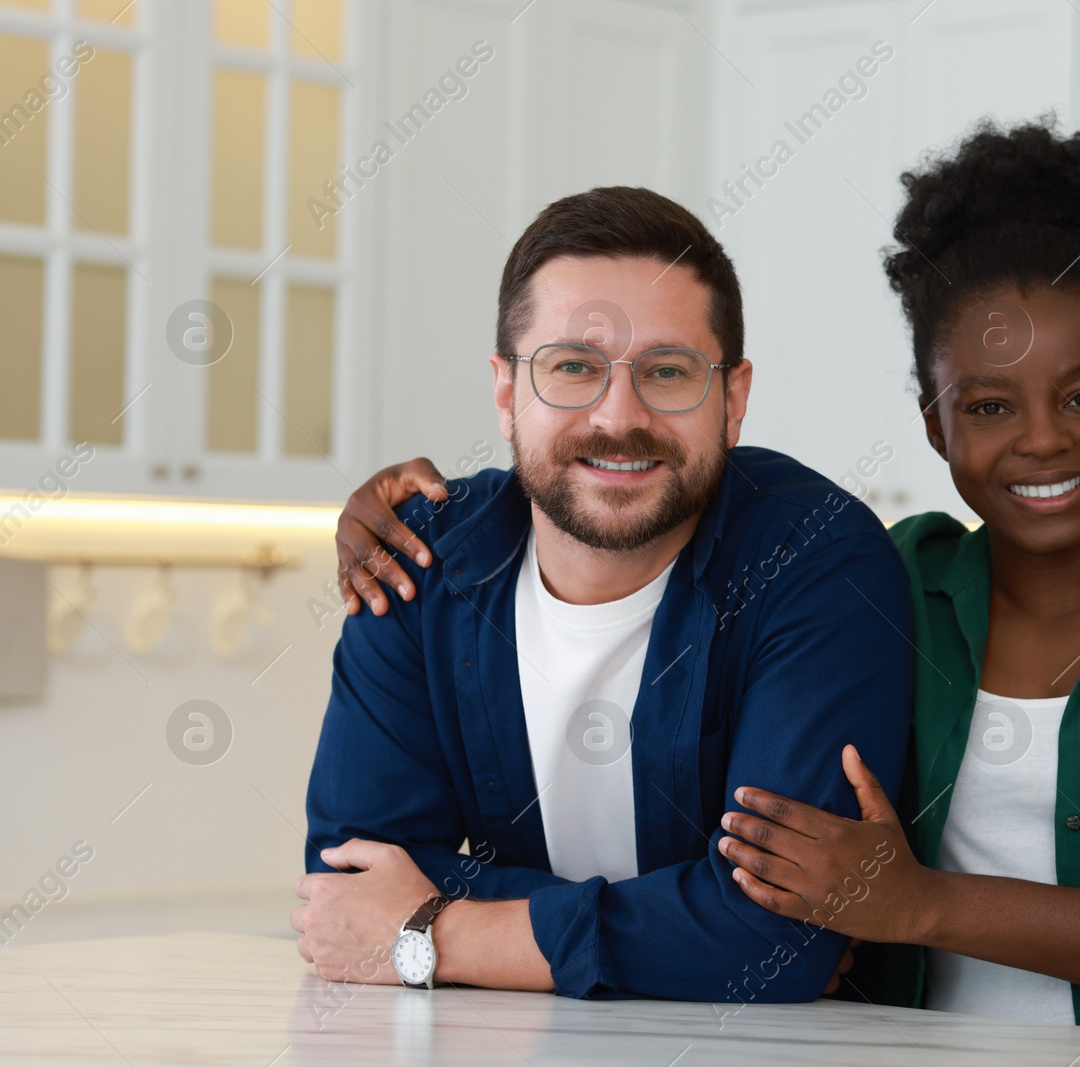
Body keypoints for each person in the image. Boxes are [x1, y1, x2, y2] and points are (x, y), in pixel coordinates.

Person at [334, 119, 1080, 1051]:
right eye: (989, 403)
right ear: (935, 421)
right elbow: (729, 886)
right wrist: (402, 508)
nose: (1042, 438)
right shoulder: (881, 579)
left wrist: (917, 903)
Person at [291, 185, 913, 1003]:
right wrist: (692, 931)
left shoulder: (814, 558)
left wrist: (433, 932)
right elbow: (349, 885)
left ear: (733, 400)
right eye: (573, 367)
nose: (619, 416)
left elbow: (778, 933)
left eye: (668, 370)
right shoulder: (414, 561)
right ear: (508, 392)